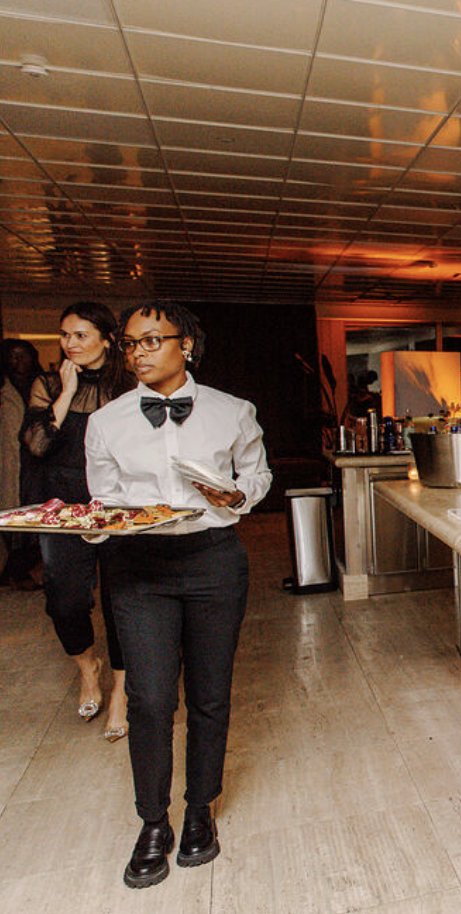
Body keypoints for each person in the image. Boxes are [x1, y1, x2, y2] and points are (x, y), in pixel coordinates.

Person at [85, 302, 271, 889]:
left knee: (212, 694)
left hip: (213, 561)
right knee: (150, 699)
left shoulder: (233, 411)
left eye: (150, 341)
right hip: (138, 568)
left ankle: (199, 811)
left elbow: (256, 473)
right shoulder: (107, 422)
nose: (137, 353)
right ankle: (152, 822)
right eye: (130, 344)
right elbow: (105, 499)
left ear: (185, 344)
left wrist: (237, 498)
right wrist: (96, 523)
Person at [20, 306, 134, 738]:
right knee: (64, 598)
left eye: (81, 335)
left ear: (107, 339)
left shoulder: (127, 386)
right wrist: (65, 393)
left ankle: (121, 691)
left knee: (123, 601)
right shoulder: (47, 384)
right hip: (63, 508)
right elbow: (36, 445)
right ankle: (89, 667)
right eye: (65, 334)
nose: (70, 343)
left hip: (117, 503)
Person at [1, 339, 41, 588]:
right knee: (8, 513)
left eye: (23, 355)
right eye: (13, 356)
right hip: (8, 459)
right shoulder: (3, 389)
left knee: (33, 513)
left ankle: (27, 569)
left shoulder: (44, 385)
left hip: (36, 461)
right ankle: (12, 570)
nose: (18, 361)